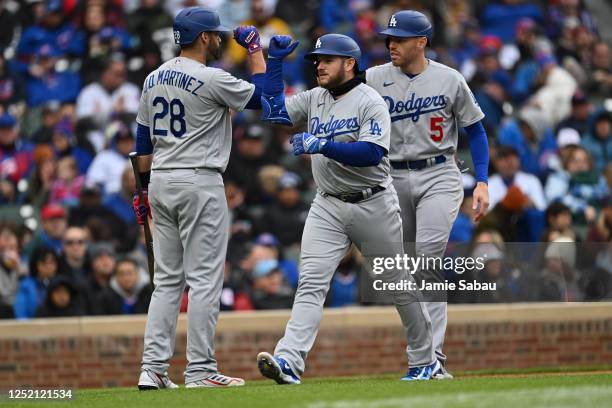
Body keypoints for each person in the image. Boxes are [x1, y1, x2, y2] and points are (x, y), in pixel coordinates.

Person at [253, 32, 437, 384]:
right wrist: (273, 63)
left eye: (327, 59)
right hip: (328, 204)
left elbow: (372, 153)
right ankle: (289, 361)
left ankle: (425, 360)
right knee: (310, 283)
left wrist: (321, 144)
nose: (319, 65)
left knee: (397, 284)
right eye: (316, 60)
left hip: (373, 202)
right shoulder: (316, 97)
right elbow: (274, 113)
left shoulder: (370, 100)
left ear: (349, 63)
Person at [133, 7, 268, 390]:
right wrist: (256, 51)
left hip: (160, 179)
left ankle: (153, 368)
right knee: (205, 280)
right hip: (199, 179)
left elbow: (143, 141)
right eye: (214, 34)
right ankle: (200, 370)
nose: (218, 38)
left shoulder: (152, 77)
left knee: (167, 282)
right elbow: (264, 98)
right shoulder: (210, 77)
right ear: (204, 37)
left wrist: (141, 190)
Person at [366, 10, 490, 379]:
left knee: (428, 257)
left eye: (400, 39)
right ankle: (422, 355)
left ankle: (432, 358)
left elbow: (477, 132)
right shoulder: (372, 78)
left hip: (438, 172)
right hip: (391, 175)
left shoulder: (449, 79)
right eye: (389, 39)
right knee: (403, 270)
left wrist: (482, 181)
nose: (391, 44)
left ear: (422, 41)